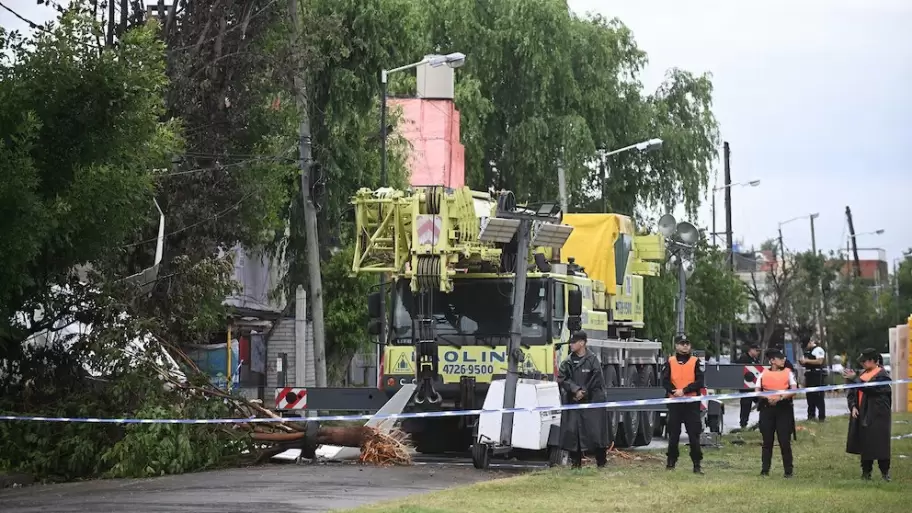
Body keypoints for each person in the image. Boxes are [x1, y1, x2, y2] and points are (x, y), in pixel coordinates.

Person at [557, 330, 609, 468]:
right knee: (574, 432)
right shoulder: (567, 362)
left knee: (596, 433)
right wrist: (575, 390)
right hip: (574, 402)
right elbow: (562, 378)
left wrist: (584, 392)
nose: (571, 345)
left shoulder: (593, 360)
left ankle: (601, 462)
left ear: (582, 343)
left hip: (592, 402)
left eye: (574, 342)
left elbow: (596, 379)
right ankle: (576, 464)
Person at [843, 348, 892, 481]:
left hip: (877, 414)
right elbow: (852, 392)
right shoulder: (863, 374)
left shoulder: (882, 375)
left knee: (880, 444)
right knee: (865, 444)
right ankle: (866, 472)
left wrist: (855, 379)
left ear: (874, 361)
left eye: (865, 361)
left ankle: (885, 473)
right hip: (862, 414)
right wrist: (853, 406)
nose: (863, 364)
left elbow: (871, 389)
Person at [661, 334, 704, 474]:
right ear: (676, 346)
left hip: (691, 403)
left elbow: (699, 382)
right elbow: (665, 380)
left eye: (687, 343)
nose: (685, 346)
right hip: (675, 403)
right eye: (682, 343)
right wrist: (675, 391)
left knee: (694, 434)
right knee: (673, 434)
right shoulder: (670, 361)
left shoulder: (695, 361)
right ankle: (671, 463)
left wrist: (684, 390)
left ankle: (697, 465)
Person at [756, 348, 797, 478]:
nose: (783, 360)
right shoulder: (763, 373)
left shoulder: (788, 372)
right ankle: (765, 470)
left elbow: (794, 389)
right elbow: (757, 390)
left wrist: (780, 398)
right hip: (767, 409)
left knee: (784, 441)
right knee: (767, 441)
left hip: (783, 409)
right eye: (780, 358)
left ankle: (788, 471)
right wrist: (767, 398)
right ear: (772, 361)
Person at [799, 334, 827, 422]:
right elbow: (806, 363)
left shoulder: (818, 349)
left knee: (818, 396)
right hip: (809, 375)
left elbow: (819, 361)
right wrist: (802, 362)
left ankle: (821, 417)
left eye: (806, 345)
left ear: (810, 342)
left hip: (817, 375)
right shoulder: (807, 351)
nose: (805, 347)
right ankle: (811, 416)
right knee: (810, 397)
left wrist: (807, 360)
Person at [736, 343, 762, 429]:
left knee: (762, 402)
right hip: (746, 388)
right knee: (746, 406)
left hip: (755, 388)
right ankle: (743, 424)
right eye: (756, 350)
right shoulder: (744, 358)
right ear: (751, 350)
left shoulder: (755, 360)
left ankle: (763, 421)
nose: (758, 352)